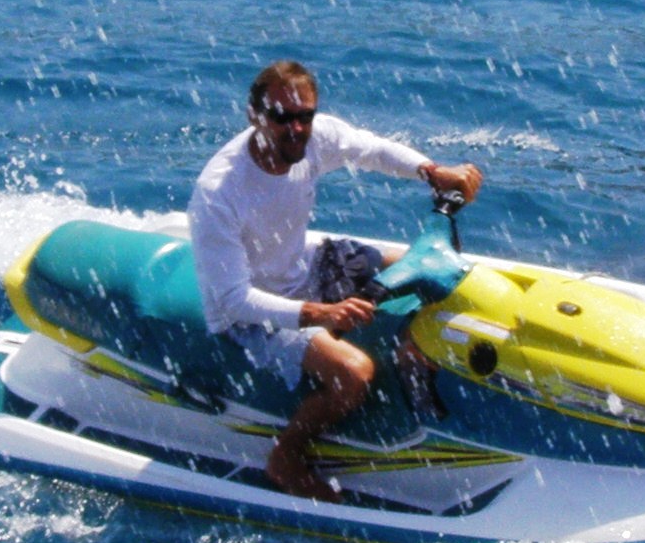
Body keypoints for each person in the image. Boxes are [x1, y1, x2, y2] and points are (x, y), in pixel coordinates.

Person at [188, 60, 482, 501]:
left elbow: (369, 149)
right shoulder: (218, 194)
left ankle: (408, 353)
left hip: (303, 265)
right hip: (253, 312)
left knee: (418, 267)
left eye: (304, 115)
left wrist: (431, 170)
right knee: (354, 373)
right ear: (254, 116)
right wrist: (319, 314)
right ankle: (286, 456)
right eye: (281, 117)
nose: (295, 129)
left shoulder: (314, 137)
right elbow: (233, 299)